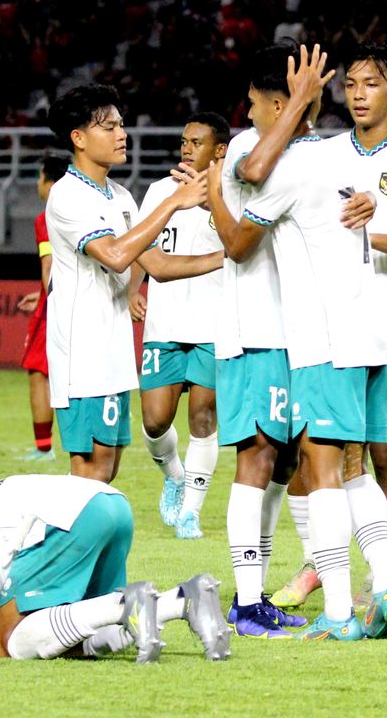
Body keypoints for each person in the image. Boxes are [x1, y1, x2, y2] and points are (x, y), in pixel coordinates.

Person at [210, 43, 387, 642]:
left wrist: (208, 193)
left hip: (318, 339)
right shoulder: (330, 155)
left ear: (277, 102)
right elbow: (252, 167)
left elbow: (240, 233)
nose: (246, 114)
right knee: (333, 465)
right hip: (341, 335)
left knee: (316, 468)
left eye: (252, 103)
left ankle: (340, 611)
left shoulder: (287, 159)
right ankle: (379, 584)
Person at [271, 43, 387, 614]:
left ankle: (381, 579)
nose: (357, 93)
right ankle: (317, 565)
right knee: (314, 450)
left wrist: (369, 237)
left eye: (371, 84)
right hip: (326, 329)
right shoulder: (322, 155)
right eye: (350, 84)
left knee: (386, 454)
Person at [43, 84, 222, 484]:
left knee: (106, 471)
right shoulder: (67, 195)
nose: (122, 134)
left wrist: (227, 256)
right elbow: (116, 255)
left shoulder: (120, 196)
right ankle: (45, 543)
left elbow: (155, 264)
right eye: (109, 127)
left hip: (114, 351)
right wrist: (174, 202)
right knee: (89, 473)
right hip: (81, 354)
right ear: (79, 138)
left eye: (121, 125)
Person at [0, 474, 230, 663]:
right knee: (75, 634)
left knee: (5, 645)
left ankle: (128, 606)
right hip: (110, 506)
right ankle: (184, 600)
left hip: (66, 518)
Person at [127, 112, 229, 540]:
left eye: (196, 142)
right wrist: (136, 284)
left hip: (214, 322)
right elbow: (143, 242)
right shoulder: (158, 191)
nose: (186, 148)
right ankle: (174, 474)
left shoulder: (232, 194)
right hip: (165, 322)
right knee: (153, 421)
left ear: (219, 151)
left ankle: (191, 511)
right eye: (184, 140)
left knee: (203, 417)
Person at [16, 154, 71, 462]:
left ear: (51, 183)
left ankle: (43, 448)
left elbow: (49, 267)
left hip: (58, 308)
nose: (38, 184)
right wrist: (40, 294)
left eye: (40, 178)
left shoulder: (47, 217)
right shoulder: (80, 211)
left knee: (38, 372)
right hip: (76, 300)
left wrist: (49, 296)